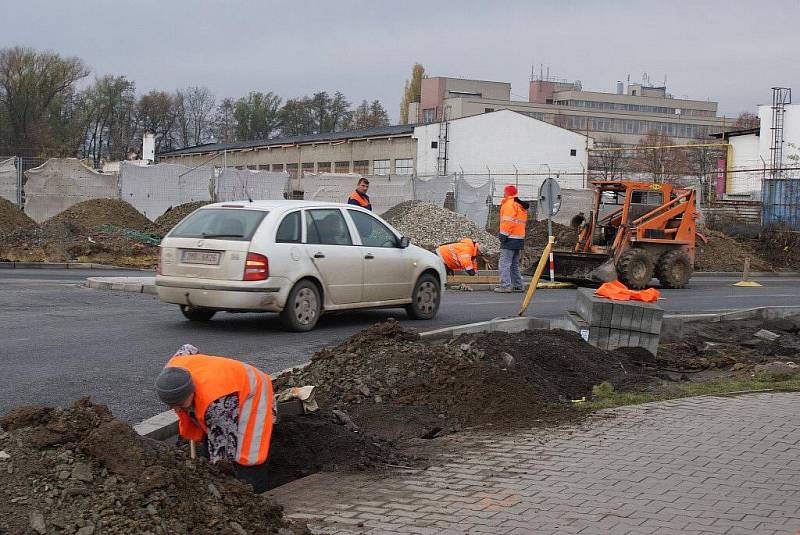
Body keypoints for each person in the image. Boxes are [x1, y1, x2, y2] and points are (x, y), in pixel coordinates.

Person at [154, 344, 274, 492]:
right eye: (171, 405)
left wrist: (219, 481)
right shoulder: (172, 372)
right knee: (209, 434)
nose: (177, 409)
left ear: (192, 391)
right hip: (223, 387)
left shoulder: (218, 406)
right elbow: (189, 348)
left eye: (180, 404)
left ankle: (255, 493)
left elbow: (222, 453)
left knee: (248, 454)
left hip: (253, 390)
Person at [495, 184, 529, 293]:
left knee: (504, 263)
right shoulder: (519, 205)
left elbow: (508, 221)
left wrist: (503, 235)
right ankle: (518, 285)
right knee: (514, 264)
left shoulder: (509, 204)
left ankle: (505, 285)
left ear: (507, 193)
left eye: (504, 192)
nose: (503, 194)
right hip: (519, 239)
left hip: (510, 238)